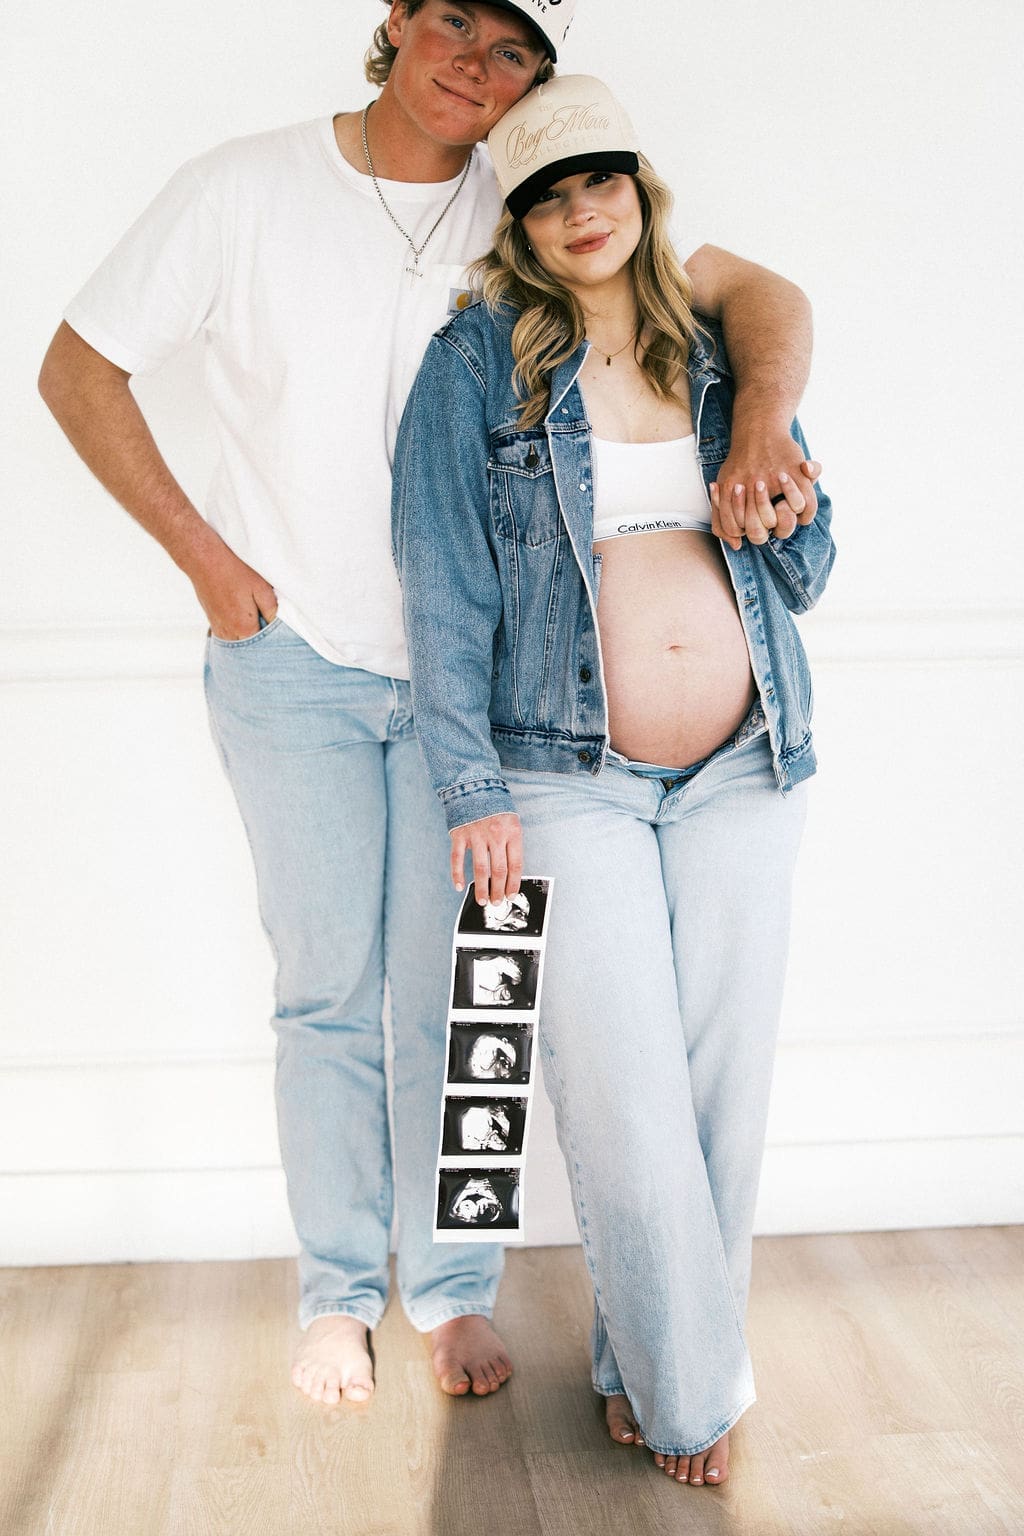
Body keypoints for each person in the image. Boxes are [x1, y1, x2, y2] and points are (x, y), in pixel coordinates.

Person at [37, 1, 822, 1410]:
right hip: (300, 662)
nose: (477, 62)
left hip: (511, 697)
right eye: (453, 20)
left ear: (543, 78)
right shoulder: (242, 187)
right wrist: (209, 562)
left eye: (514, 45)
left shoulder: (537, 179)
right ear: (392, 22)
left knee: (478, 1004)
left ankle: (451, 1287)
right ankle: (340, 1294)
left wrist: (763, 417)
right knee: (331, 997)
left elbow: (755, 295)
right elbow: (76, 364)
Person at [392, 75, 835, 1484]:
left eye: (602, 183)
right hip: (561, 775)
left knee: (721, 1090)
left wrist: (783, 496)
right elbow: (444, 594)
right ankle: (695, 1396)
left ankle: (649, 1361)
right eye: (547, 194)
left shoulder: (716, 353)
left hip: (746, 765)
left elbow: (808, 569)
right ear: (518, 224)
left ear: (639, 192)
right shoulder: (476, 365)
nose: (581, 212)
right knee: (624, 1090)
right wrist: (472, 791)